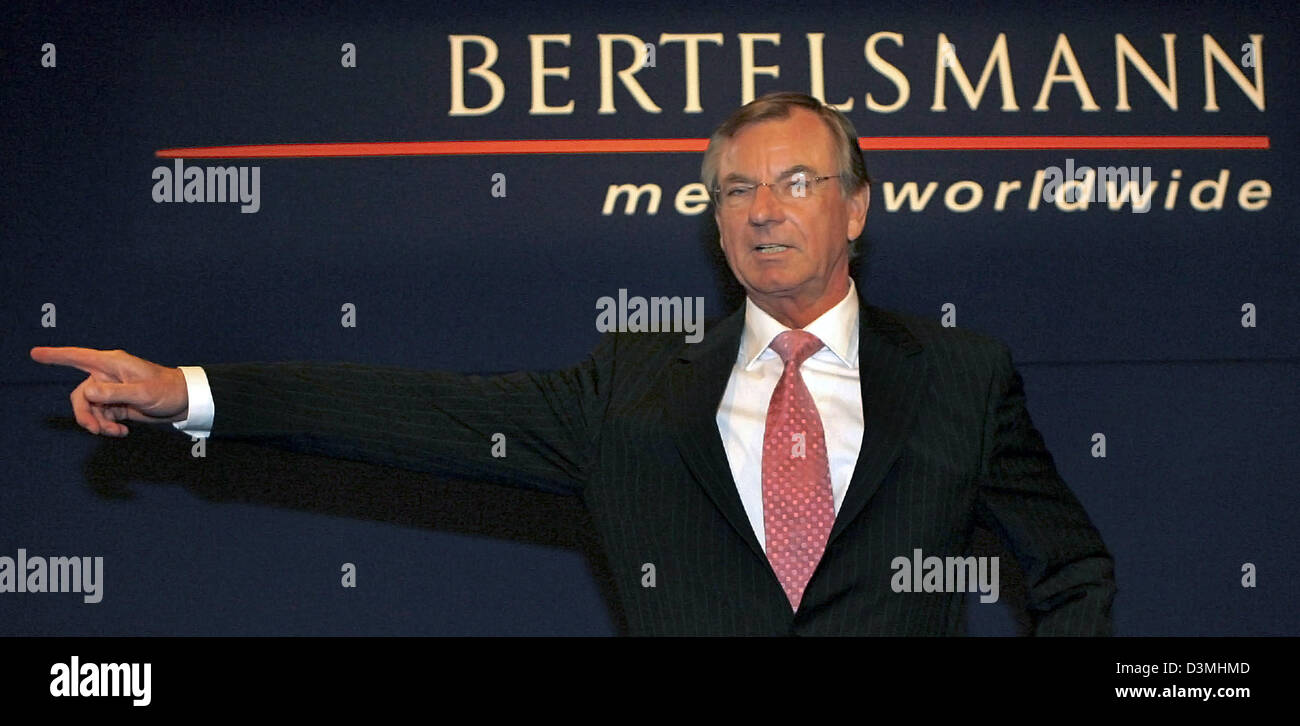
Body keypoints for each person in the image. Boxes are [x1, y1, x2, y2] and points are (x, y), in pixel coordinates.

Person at [30, 92, 1116, 635]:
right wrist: (191, 394)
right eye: (736, 190)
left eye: (794, 183)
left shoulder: (962, 375)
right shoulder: (631, 389)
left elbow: (1072, 572)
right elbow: (413, 412)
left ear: (857, 209)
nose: (762, 211)